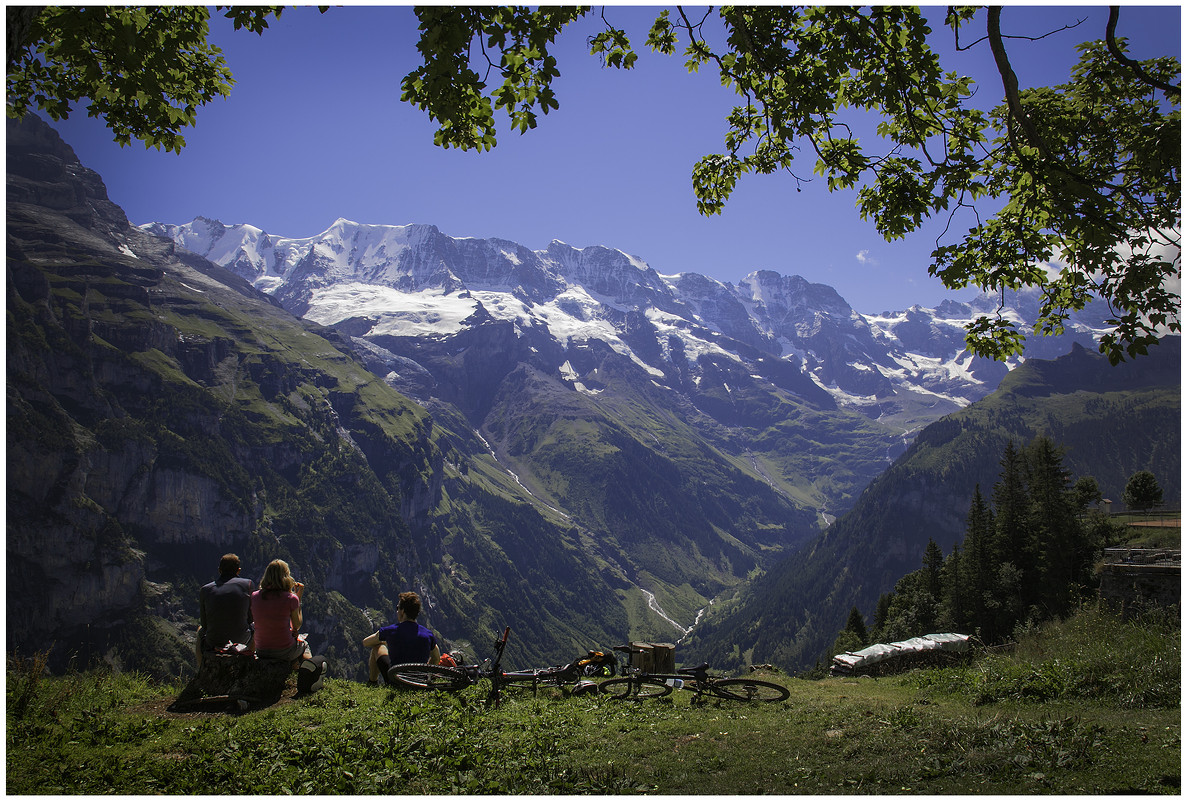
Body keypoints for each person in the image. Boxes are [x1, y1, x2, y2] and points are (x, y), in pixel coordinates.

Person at [363, 591, 441, 685]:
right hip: (419, 682)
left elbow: (366, 642)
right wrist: (425, 672)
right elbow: (436, 657)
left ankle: (372, 683)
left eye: (398, 608)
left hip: (396, 681)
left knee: (377, 647)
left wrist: (386, 642)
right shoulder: (428, 634)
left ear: (402, 611)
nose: (397, 611)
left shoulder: (391, 631)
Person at [196, 553, 255, 668]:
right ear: (238, 570)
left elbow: (204, 624)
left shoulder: (206, 589)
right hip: (242, 639)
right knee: (256, 625)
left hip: (214, 641)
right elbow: (251, 618)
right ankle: (250, 663)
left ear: (219, 570)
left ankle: (201, 669)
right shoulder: (248, 584)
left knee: (200, 630)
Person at [251, 559, 312, 664]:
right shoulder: (291, 598)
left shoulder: (254, 596)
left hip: (261, 649)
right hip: (283, 650)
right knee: (304, 645)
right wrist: (299, 598)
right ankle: (309, 674)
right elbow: (296, 626)